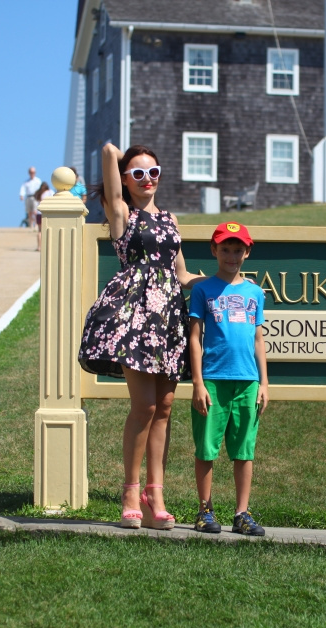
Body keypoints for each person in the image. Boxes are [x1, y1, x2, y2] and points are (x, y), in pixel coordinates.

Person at [78, 142, 204, 530]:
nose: (147, 179)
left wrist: (214, 283)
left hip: (168, 317)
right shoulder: (121, 213)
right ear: (125, 179)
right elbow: (107, 154)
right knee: (145, 406)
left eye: (153, 172)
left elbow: (181, 274)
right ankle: (130, 492)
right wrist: (119, 157)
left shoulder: (170, 219)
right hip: (135, 318)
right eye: (138, 173)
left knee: (164, 406)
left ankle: (155, 495)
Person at [188, 222, 269, 536]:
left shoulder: (254, 293)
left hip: (247, 381)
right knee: (206, 448)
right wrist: (197, 383)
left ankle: (241, 513)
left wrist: (264, 383)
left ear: (247, 253)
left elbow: (258, 339)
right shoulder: (203, 290)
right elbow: (195, 338)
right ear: (214, 250)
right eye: (225, 249)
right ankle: (205, 511)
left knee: (244, 450)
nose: (232, 256)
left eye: (238, 250)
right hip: (212, 379)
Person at [34, 181, 52, 251]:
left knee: (40, 231)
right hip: (46, 213)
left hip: (39, 213)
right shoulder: (49, 192)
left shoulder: (39, 193)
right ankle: (47, 246)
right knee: (48, 230)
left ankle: (39, 246)